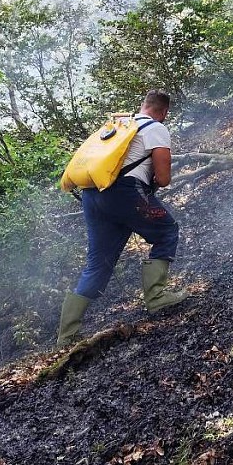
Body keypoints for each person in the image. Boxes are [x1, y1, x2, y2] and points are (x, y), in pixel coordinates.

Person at [57, 89, 189, 347]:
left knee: (98, 263)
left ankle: (66, 336)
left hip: (92, 196)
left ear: (143, 105)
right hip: (124, 194)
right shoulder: (156, 128)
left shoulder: (120, 127)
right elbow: (163, 178)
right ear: (163, 112)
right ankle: (156, 296)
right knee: (167, 231)